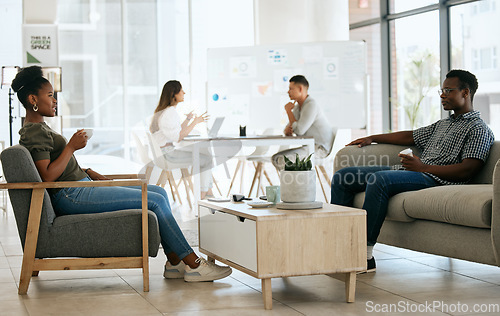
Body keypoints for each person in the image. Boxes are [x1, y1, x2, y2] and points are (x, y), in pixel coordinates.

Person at [12, 66, 232, 282]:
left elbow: (54, 166)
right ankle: (193, 264)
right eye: (50, 95)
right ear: (33, 99)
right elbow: (48, 177)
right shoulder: (34, 131)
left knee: (158, 192)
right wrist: (71, 147)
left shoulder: (41, 128)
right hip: (72, 195)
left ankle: (174, 261)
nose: (55, 100)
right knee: (153, 199)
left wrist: (86, 171)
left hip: (79, 186)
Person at [330, 69, 494, 272]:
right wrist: (373, 137)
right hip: (415, 171)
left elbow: (467, 170)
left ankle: (364, 256)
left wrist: (423, 167)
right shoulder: (443, 124)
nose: (443, 95)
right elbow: (411, 136)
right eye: (441, 90)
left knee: (380, 180)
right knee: (343, 177)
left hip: (437, 179)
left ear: (465, 93)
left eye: (448, 90)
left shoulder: (479, 129)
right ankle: (339, 247)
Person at [150, 80, 215, 199]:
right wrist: (195, 122)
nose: (184, 93)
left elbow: (177, 132)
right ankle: (204, 193)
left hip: (165, 152)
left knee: (206, 155)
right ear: (174, 94)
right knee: (206, 158)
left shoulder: (166, 111)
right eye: (181, 90)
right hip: (168, 155)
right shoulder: (169, 113)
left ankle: (208, 191)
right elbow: (178, 137)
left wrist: (188, 120)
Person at [271, 75, 334, 169]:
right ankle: (295, 183)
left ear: (300, 89)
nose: (288, 92)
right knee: (276, 158)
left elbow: (299, 130)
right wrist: (288, 130)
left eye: (291, 88)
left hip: (320, 149)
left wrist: (288, 112)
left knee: (281, 159)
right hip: (310, 147)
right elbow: (289, 129)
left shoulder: (311, 105)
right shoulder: (297, 107)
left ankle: (297, 183)